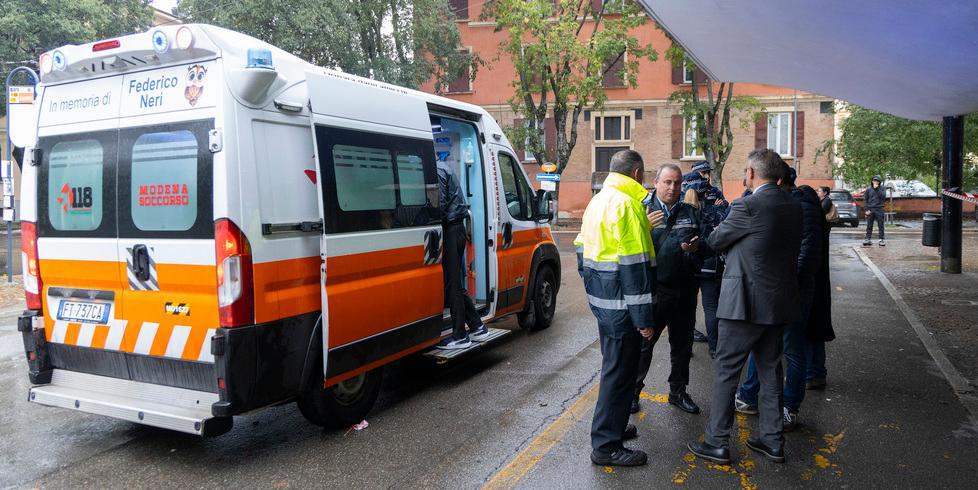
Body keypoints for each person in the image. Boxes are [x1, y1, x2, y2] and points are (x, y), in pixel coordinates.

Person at [688, 149, 802, 465]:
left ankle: (717, 441)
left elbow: (716, 240)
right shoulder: (793, 207)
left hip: (744, 306)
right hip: (778, 304)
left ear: (751, 173)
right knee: (770, 371)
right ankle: (772, 440)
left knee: (726, 371)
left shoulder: (748, 205)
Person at [575, 150, 657, 467]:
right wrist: (644, 319)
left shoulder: (598, 201)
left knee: (616, 370)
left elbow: (582, 251)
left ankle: (616, 425)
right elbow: (635, 270)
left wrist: (597, 289)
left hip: (606, 303)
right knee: (619, 375)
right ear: (637, 173)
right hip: (623, 308)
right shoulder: (628, 206)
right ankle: (606, 446)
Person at [734, 166, 823, 432]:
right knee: (762, 343)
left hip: (792, 289)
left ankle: (789, 408)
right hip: (774, 287)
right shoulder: (784, 204)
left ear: (780, 181)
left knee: (792, 348)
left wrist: (783, 277)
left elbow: (806, 255)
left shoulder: (800, 206)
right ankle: (749, 396)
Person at [632, 164, 705, 416]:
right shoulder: (642, 210)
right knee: (644, 344)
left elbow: (705, 248)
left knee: (682, 345)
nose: (672, 188)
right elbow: (630, 251)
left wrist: (695, 250)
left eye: (677, 183)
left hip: (685, 291)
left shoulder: (691, 212)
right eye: (667, 182)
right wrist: (645, 229)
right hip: (655, 291)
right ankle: (633, 392)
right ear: (656, 181)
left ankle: (678, 392)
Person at [436, 159, 489, 349]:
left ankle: (460, 335)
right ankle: (477, 326)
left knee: (452, 285)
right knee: (454, 283)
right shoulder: (443, 167)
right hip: (456, 228)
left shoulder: (437, 169)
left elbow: (439, 205)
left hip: (451, 229)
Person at [806, 187, 836, 390]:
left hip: (811, 284)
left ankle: (812, 373)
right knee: (815, 330)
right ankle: (817, 372)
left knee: (808, 331)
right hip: (820, 283)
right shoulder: (820, 222)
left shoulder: (808, 223)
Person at [863, 175, 886, 246]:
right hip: (870, 209)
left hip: (879, 209)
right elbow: (865, 200)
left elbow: (883, 197)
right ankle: (868, 239)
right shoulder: (868, 189)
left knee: (881, 225)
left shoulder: (882, 188)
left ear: (879, 182)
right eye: (874, 180)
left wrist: (877, 189)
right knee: (869, 225)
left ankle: (881, 240)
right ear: (872, 181)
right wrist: (866, 209)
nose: (875, 182)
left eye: (877, 181)